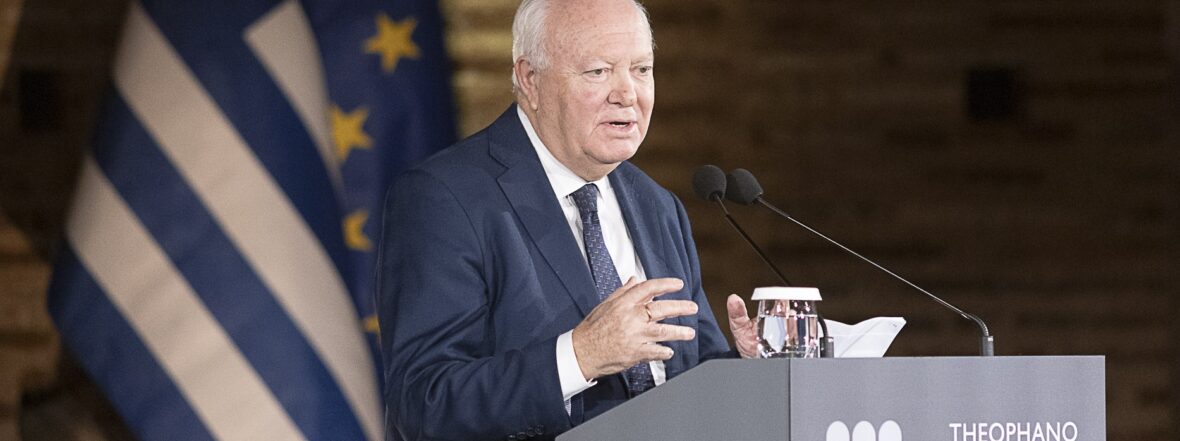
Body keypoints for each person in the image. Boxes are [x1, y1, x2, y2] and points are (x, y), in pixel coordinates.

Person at [376, 0, 758, 439]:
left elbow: (688, 376)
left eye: (641, 69)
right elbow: (424, 403)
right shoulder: (444, 197)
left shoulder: (658, 206)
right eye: (598, 71)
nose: (627, 94)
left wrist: (746, 366)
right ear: (530, 80)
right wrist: (580, 356)